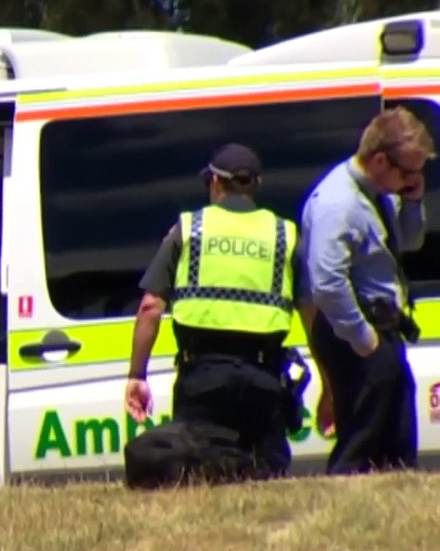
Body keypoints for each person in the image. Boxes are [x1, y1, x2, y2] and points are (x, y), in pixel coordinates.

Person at [125, 143, 314, 481]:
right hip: (264, 377)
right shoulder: (284, 235)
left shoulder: (188, 229)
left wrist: (137, 375)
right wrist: (329, 382)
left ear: (215, 182)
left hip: (202, 377)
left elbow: (151, 307)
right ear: (255, 185)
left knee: (199, 471)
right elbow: (311, 313)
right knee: (265, 475)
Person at [301, 107, 435, 476]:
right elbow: (326, 281)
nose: (413, 179)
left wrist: (411, 200)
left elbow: (408, 241)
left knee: (396, 440)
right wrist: (365, 340)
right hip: (356, 329)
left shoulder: (378, 195)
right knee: (364, 440)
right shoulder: (338, 203)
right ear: (379, 160)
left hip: (381, 328)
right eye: (408, 172)